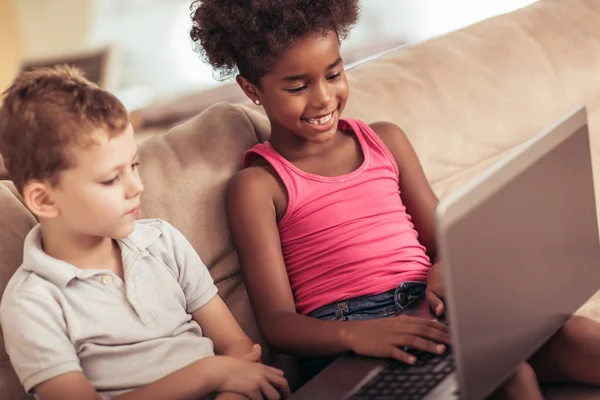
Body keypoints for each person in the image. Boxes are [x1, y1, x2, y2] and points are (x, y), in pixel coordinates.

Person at [189, 0, 600, 398]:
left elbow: (448, 243)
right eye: (297, 86)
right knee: (511, 376)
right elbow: (278, 323)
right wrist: (359, 334)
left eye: (334, 75)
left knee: (579, 336)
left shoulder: (386, 141)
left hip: (433, 314)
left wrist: (444, 270)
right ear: (251, 89)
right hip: (353, 341)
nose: (323, 99)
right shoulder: (258, 185)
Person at [0, 65, 290, 400]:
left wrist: (230, 386)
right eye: (111, 179)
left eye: (134, 166)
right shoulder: (32, 303)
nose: (136, 187)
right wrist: (209, 372)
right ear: (45, 199)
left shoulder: (162, 241)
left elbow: (237, 346)